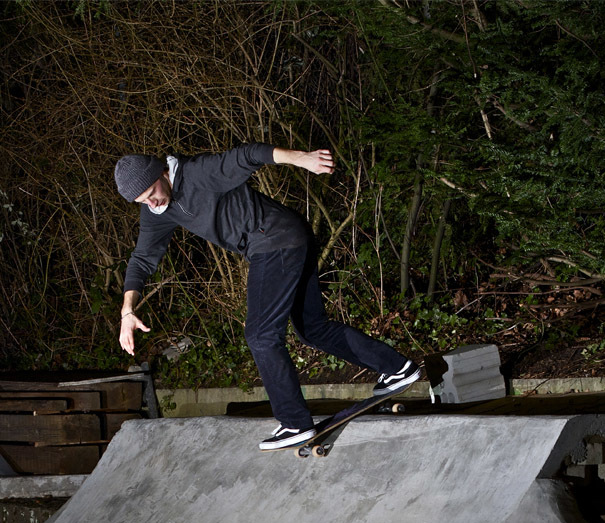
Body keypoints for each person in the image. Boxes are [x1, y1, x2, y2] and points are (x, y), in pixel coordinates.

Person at [115, 143, 420, 450]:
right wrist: (128, 311)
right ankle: (397, 368)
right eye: (144, 202)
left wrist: (302, 158)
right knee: (312, 327)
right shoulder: (157, 211)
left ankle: (294, 422)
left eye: (152, 192)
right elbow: (142, 258)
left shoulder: (198, 172)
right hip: (289, 237)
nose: (153, 202)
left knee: (261, 335)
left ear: (161, 172)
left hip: (274, 242)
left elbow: (249, 155)